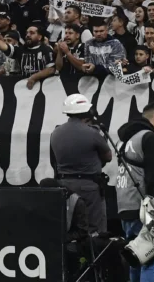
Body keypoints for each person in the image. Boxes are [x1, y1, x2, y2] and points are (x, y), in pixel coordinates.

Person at [115, 102, 154, 282]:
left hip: (124, 205)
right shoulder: (150, 138)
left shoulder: (123, 140)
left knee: (135, 259)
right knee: (149, 258)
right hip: (143, 208)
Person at [49, 93, 111, 237]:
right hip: (89, 187)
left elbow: (54, 161)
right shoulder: (92, 133)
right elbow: (108, 157)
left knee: (69, 227)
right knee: (94, 229)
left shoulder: (55, 133)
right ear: (87, 111)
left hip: (64, 185)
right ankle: (95, 258)